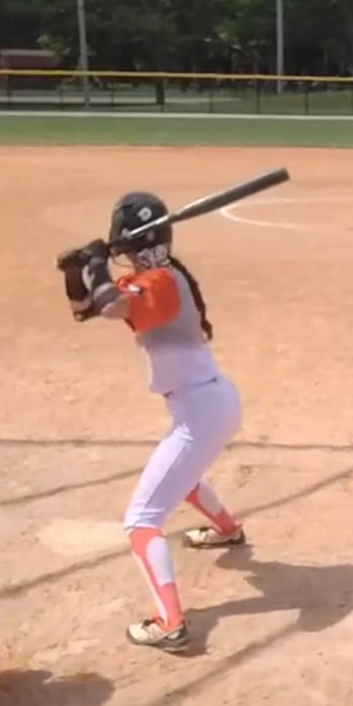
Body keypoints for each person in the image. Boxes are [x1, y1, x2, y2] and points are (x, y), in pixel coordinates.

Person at [58, 193, 248, 654]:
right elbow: (85, 309)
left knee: (141, 522)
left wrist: (98, 264)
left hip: (202, 410)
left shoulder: (162, 282)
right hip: (206, 406)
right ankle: (227, 529)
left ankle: (171, 623)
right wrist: (74, 272)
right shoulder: (151, 280)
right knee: (180, 475)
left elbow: (109, 306)